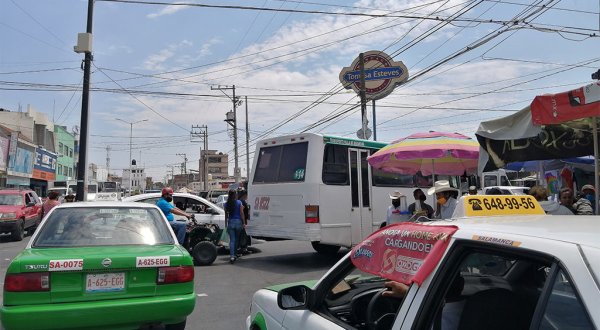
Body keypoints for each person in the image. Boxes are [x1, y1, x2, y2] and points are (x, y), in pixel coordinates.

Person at [225, 189, 245, 264]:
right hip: (238, 222)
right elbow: (242, 213)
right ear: (235, 195)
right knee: (236, 239)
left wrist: (225, 225)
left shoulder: (226, 204)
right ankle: (235, 253)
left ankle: (232, 256)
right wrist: (243, 223)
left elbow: (226, 216)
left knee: (232, 240)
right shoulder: (239, 202)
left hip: (230, 223)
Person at [236, 188, 251, 255]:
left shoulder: (237, 201)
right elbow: (244, 212)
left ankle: (240, 248)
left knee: (239, 235)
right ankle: (244, 249)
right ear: (244, 195)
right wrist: (244, 221)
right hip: (242, 220)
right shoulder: (243, 202)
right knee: (244, 235)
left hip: (238, 220)